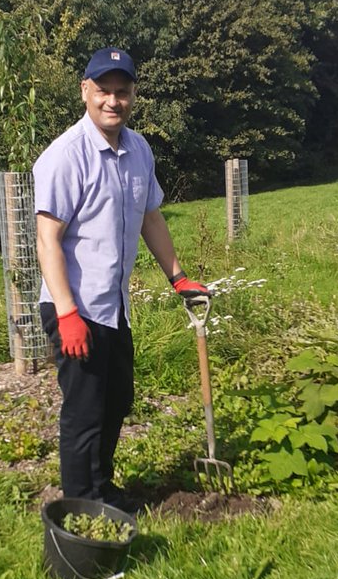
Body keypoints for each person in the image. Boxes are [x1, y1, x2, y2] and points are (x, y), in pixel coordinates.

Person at [33, 47, 208, 509]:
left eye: (123, 91)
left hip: (114, 306)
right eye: (104, 90)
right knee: (85, 411)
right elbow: (48, 240)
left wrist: (179, 277)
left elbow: (150, 217)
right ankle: (80, 507)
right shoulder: (66, 156)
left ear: (133, 96)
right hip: (75, 306)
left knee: (116, 402)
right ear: (85, 91)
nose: (113, 100)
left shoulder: (139, 149)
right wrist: (67, 314)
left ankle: (102, 489)